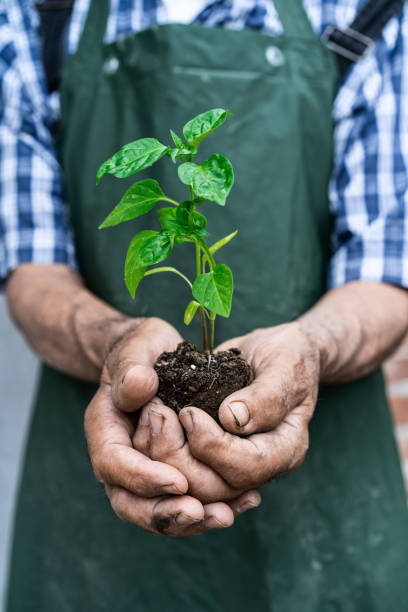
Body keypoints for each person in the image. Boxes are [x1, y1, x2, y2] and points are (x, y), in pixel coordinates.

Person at [1, 0, 408, 610]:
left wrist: (310, 348)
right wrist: (116, 342)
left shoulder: (364, 8)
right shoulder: (37, 13)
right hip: (98, 510)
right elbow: (31, 268)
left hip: (326, 503)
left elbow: (385, 268)